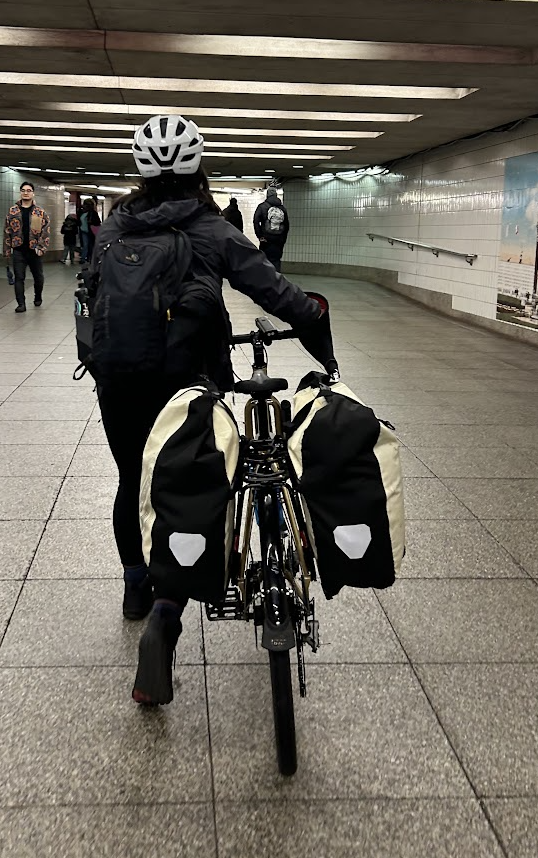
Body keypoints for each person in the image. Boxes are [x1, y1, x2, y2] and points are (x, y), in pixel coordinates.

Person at [90, 113, 334, 706]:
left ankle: (135, 587)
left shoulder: (113, 224)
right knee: (193, 486)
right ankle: (167, 612)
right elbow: (275, 291)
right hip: (189, 385)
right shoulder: (209, 227)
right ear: (198, 167)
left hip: (118, 380)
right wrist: (317, 327)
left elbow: (92, 295)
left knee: (132, 479)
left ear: (141, 170)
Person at [3, 181, 50, 313]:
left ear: (33, 193)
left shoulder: (39, 212)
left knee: (38, 277)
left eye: (29, 190)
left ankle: (38, 297)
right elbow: (7, 231)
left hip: (34, 250)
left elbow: (46, 231)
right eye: (23, 190)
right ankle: (21, 304)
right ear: (20, 193)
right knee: (19, 277)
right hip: (18, 250)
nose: (26, 193)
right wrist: (7, 250)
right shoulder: (13, 211)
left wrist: (41, 248)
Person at [253, 186, 290, 272]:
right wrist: (283, 239)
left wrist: (260, 236)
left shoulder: (262, 206)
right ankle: (276, 277)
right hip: (279, 240)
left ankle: (265, 278)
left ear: (267, 195)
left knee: (264, 260)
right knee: (276, 260)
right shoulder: (282, 208)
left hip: (266, 239)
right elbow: (287, 225)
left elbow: (256, 221)